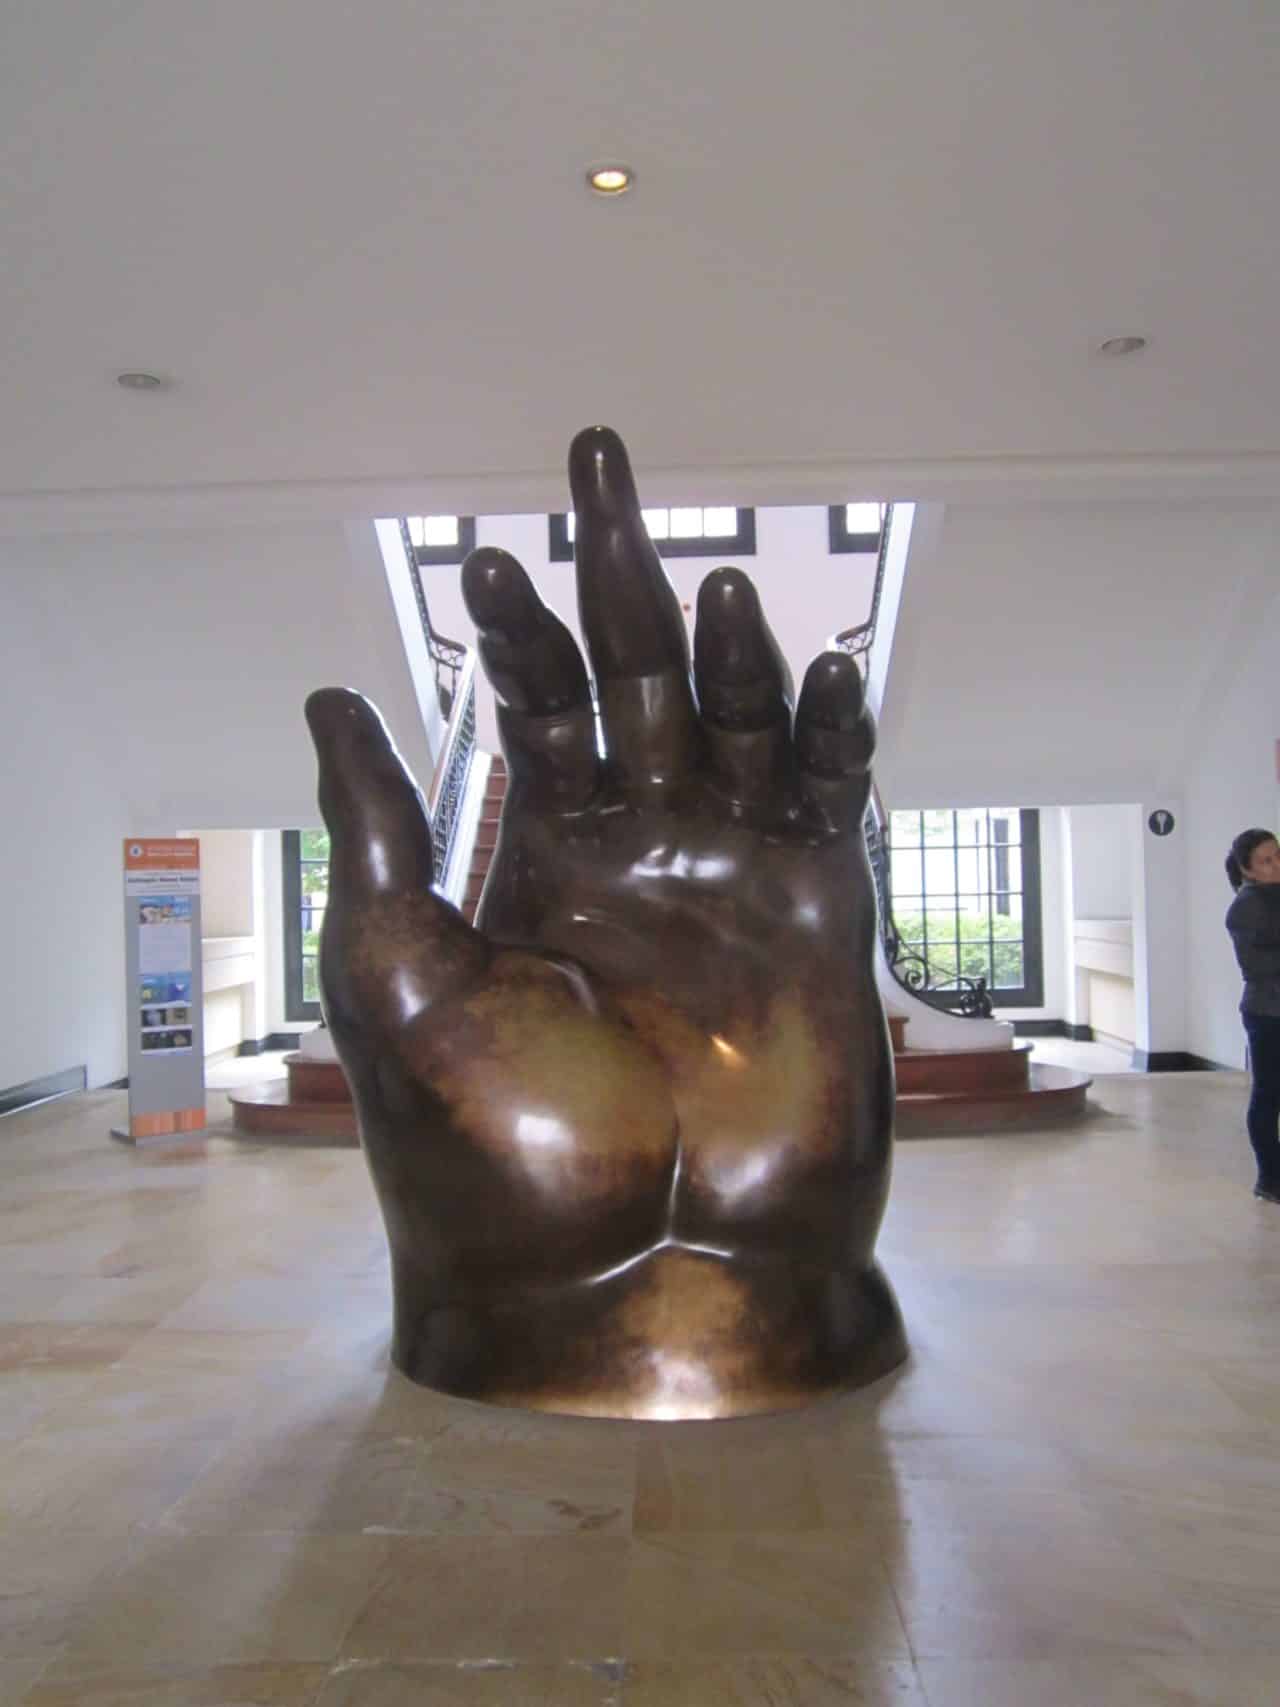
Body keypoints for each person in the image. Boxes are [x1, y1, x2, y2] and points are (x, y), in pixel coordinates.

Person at [1224, 827, 1280, 1203]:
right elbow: (1258, 966)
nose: (1277, 865)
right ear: (1248, 870)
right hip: (1268, 1013)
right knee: (1268, 1095)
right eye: (1266, 861)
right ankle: (1270, 1178)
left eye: (1278, 856)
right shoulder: (1246, 907)